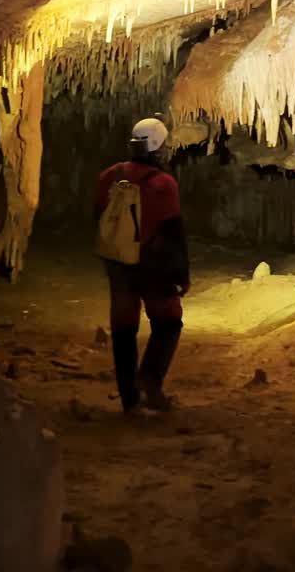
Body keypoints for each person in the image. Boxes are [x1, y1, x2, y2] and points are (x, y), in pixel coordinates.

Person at [94, 117, 191, 415]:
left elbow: (99, 218)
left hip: (119, 262)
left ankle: (129, 400)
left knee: (123, 328)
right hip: (153, 263)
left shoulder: (109, 176)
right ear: (159, 148)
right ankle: (150, 380)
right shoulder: (164, 184)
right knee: (169, 321)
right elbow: (174, 232)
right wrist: (181, 274)